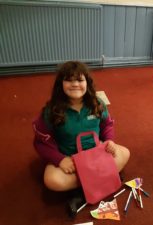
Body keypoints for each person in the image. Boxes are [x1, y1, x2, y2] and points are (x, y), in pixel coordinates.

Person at [32, 61, 130, 217]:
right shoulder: (52, 110)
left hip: (96, 155)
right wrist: (59, 160)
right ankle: (102, 178)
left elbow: (107, 125)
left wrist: (109, 140)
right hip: (71, 161)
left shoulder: (98, 103)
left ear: (87, 83)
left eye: (80, 80)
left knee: (125, 153)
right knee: (51, 180)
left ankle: (81, 191)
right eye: (69, 80)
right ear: (61, 84)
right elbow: (41, 143)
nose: (75, 84)